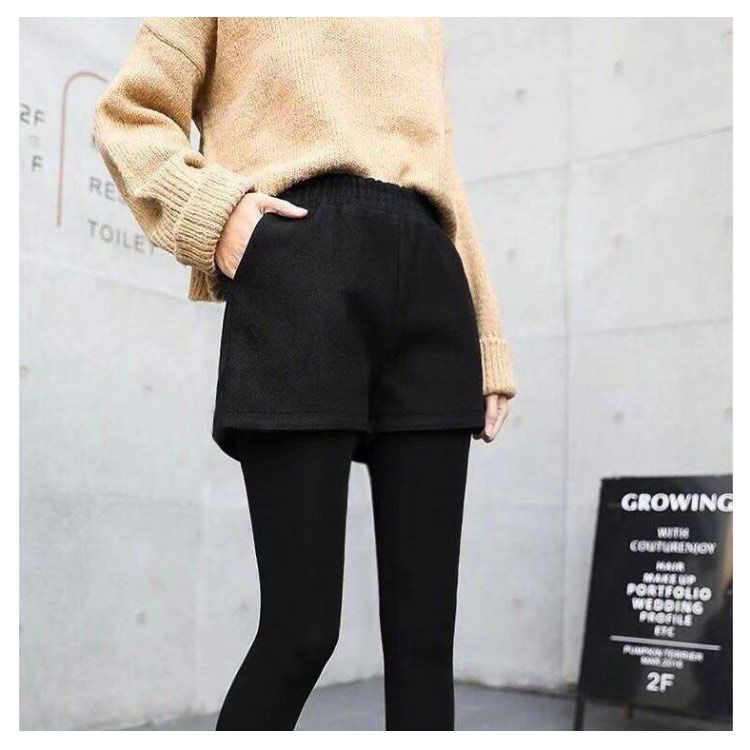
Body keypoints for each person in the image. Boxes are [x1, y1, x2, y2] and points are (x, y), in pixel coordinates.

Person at [94, 17, 516, 731]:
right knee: (301, 629)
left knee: (424, 640)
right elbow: (129, 113)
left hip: (430, 280)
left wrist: (487, 334)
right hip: (302, 261)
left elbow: (443, 169)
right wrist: (216, 213)